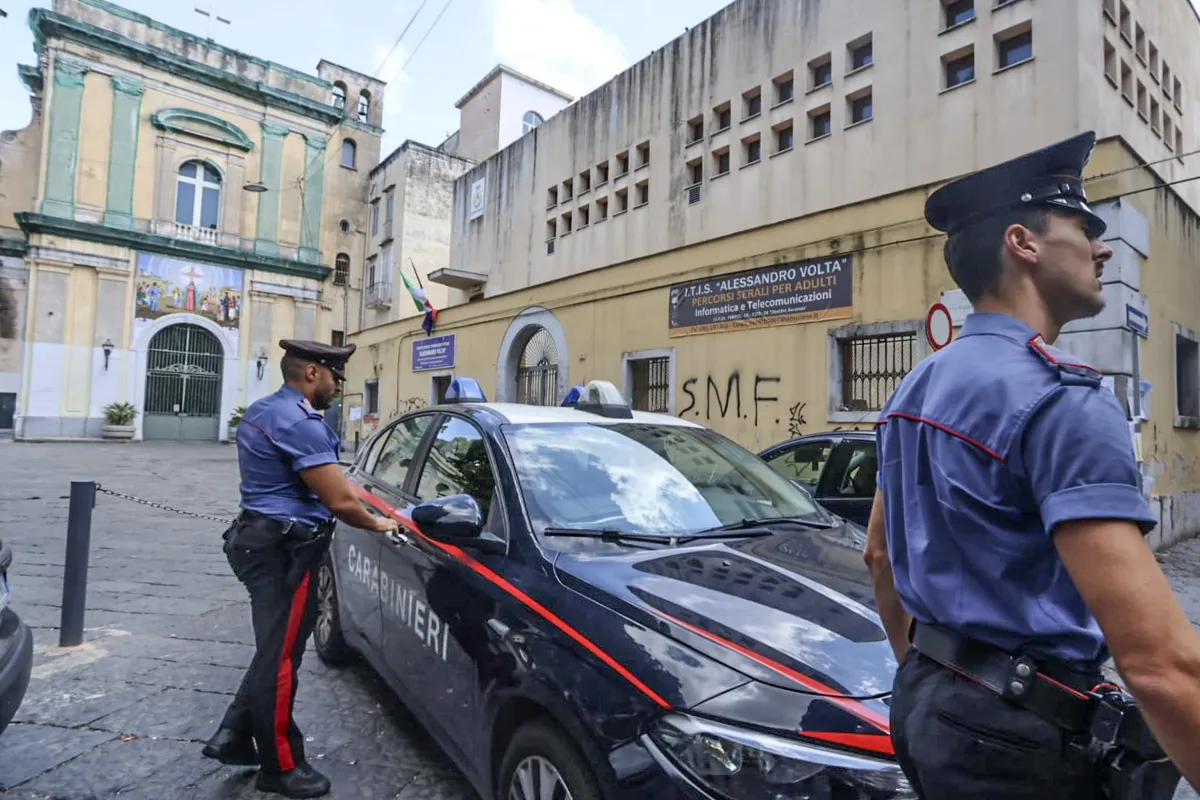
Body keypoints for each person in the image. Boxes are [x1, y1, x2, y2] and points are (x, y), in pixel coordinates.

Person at [863, 131, 1200, 798]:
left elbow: (880, 558)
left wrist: (939, 675)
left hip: (927, 702)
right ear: (1024, 243)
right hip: (1020, 738)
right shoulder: (1064, 397)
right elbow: (1159, 663)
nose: (1103, 247)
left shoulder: (915, 388)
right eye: (1084, 226)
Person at [202, 339, 399, 799]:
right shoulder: (301, 422)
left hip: (258, 538)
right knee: (281, 661)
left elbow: (320, 480)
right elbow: (340, 500)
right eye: (334, 377)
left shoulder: (264, 409)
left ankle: (233, 733)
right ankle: (280, 766)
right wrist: (379, 523)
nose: (337, 387)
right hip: (285, 553)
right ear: (313, 373)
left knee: (274, 649)